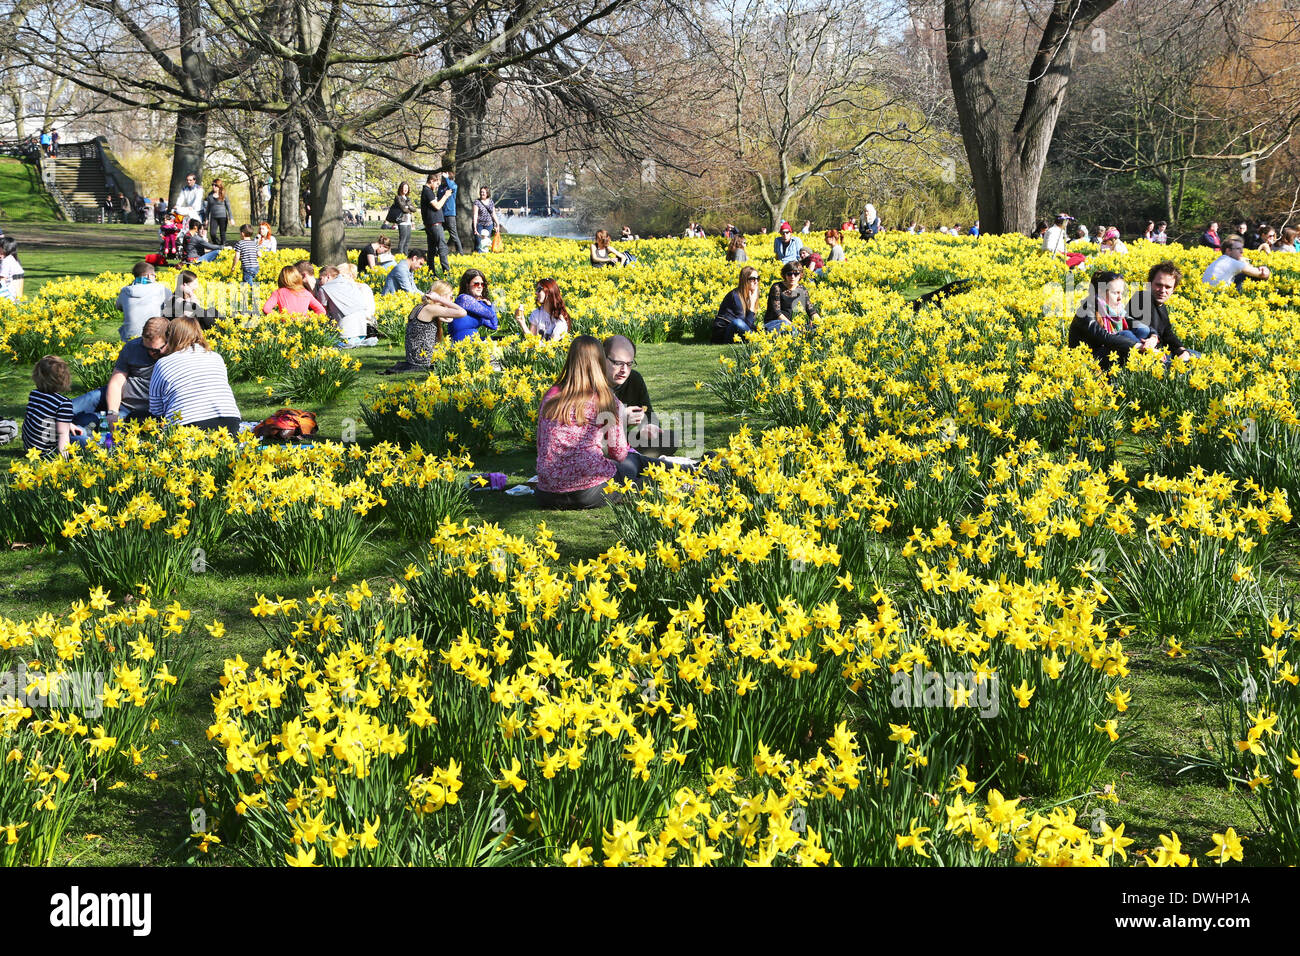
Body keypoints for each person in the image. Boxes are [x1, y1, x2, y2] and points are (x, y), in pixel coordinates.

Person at [535, 335, 636, 509]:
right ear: (599, 361)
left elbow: (540, 443)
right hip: (588, 492)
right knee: (633, 463)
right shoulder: (605, 398)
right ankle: (686, 471)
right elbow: (618, 453)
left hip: (547, 493)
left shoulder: (551, 395)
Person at [70, 317, 168, 429]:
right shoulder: (133, 347)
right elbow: (116, 382)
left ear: (169, 340)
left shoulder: (174, 357)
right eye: (146, 348)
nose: (151, 353)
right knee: (69, 407)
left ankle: (59, 431)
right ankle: (49, 414)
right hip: (115, 394)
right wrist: (112, 413)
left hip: (132, 410)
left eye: (156, 350)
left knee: (85, 422)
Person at [148, 317, 240, 432]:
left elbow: (156, 410)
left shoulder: (163, 364)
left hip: (187, 425)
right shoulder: (216, 357)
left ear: (171, 337)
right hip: (230, 421)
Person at [1067, 270, 1155, 370]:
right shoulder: (1086, 309)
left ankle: (1142, 363)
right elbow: (1104, 337)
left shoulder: (1115, 309)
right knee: (1126, 335)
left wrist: (1153, 336)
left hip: (1106, 352)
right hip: (1087, 360)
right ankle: (1149, 363)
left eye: (1121, 293)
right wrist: (1139, 346)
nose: (1120, 298)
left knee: (1143, 330)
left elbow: (1136, 324)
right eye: (1115, 293)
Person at [1127, 261, 1196, 363]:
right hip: (1146, 357)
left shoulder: (1161, 307)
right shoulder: (1141, 298)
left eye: (1168, 287)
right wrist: (1154, 337)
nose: (1163, 290)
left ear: (1173, 290)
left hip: (1161, 353)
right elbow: (1141, 328)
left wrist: (1182, 350)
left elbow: (1168, 334)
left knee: (1195, 356)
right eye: (1159, 285)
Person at [23, 355, 85, 457]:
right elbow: (63, 435)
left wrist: (68, 424)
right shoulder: (63, 403)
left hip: (30, 448)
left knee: (79, 426)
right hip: (47, 451)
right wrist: (63, 461)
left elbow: (44, 416)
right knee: (84, 437)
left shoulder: (34, 394)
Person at [398, 282, 465, 370]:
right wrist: (440, 299)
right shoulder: (431, 309)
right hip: (423, 360)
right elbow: (462, 312)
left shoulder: (422, 307)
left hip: (414, 358)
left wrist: (441, 301)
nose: (452, 300)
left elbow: (449, 319)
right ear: (442, 295)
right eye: (451, 297)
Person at [318, 264, 378, 345]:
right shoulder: (351, 284)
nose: (319, 282)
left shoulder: (324, 288)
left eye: (320, 278)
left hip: (345, 335)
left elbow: (321, 310)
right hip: (362, 332)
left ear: (328, 276)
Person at [116, 260, 169, 341]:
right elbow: (172, 304)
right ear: (149, 276)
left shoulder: (125, 291)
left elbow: (119, 307)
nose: (155, 278)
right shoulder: (160, 289)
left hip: (129, 337)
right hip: (153, 336)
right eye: (154, 276)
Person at [713, 265, 763, 344]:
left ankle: (759, 337)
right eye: (752, 279)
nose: (756, 281)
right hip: (725, 334)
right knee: (737, 323)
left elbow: (748, 325)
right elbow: (743, 324)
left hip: (740, 332)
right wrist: (752, 305)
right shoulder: (735, 296)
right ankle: (759, 338)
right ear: (744, 280)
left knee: (778, 323)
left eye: (757, 278)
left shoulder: (751, 295)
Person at [765, 261, 818, 331]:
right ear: (785, 275)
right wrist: (794, 326)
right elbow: (777, 313)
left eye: (796, 274)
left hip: (790, 324)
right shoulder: (777, 287)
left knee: (814, 328)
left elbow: (811, 310)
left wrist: (820, 323)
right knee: (789, 328)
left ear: (800, 275)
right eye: (789, 274)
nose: (792, 277)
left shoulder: (801, 289)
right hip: (774, 322)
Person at [450, 269, 500, 342]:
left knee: (511, 338)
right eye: (476, 284)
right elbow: (489, 314)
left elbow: (494, 326)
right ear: (467, 285)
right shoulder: (463, 298)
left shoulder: (479, 306)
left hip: (474, 341)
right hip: (462, 343)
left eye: (482, 284)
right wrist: (489, 306)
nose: (480, 286)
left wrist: (489, 305)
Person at [1203, 236, 1271, 288]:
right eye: (1238, 249)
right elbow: (1263, 274)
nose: (1242, 251)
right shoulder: (1233, 263)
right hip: (1220, 299)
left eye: (1242, 248)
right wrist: (1264, 268)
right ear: (1228, 250)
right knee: (1248, 276)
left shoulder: (1220, 260)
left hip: (1209, 294)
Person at [419, 173, 451, 277]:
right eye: (436, 183)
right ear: (431, 181)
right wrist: (445, 196)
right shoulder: (428, 192)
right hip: (435, 224)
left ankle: (431, 273)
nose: (437, 186)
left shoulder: (427, 192)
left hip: (431, 225)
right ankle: (447, 273)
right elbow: (437, 206)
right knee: (442, 248)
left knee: (432, 250)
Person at [262, 265, 327, 315]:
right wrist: (309, 319)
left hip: (285, 326)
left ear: (281, 279)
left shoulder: (278, 293)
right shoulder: (306, 293)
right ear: (298, 278)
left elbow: (266, 309)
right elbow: (322, 311)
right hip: (302, 326)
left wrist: (278, 317)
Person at [437, 172, 462, 255]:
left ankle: (460, 252)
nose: (443, 180)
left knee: (453, 234)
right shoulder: (441, 187)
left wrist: (447, 178)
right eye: (443, 178)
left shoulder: (453, 186)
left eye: (444, 178)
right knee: (439, 233)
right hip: (441, 213)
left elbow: (452, 187)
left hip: (450, 214)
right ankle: (439, 251)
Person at [232, 224, 261, 294]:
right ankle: (249, 294)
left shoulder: (240, 243)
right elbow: (259, 255)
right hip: (256, 267)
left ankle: (253, 294)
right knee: (248, 281)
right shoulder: (254, 243)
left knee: (247, 284)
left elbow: (236, 257)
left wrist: (233, 266)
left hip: (247, 267)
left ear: (242, 233)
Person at [390, 183, 416, 256]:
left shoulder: (408, 198)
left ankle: (405, 255)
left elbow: (414, 209)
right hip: (402, 221)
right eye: (404, 187)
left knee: (407, 241)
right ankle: (400, 256)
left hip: (408, 221)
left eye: (407, 188)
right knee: (402, 240)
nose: (405, 189)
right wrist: (408, 207)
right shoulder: (398, 197)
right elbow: (403, 209)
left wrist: (408, 207)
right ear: (400, 188)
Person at [473, 186, 499, 253]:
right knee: (479, 242)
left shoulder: (491, 202)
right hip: (480, 225)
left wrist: (497, 224)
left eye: (483, 192)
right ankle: (479, 256)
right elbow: (475, 215)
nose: (482, 193)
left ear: (487, 193)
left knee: (487, 242)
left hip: (489, 225)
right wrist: (475, 227)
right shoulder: (477, 202)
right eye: (481, 192)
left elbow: (493, 214)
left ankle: (486, 257)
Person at [206, 180, 232, 245]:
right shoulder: (210, 195)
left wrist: (231, 218)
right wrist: (206, 218)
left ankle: (223, 246)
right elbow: (208, 208)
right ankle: (218, 245)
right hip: (213, 217)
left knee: (222, 233)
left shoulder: (224, 195)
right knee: (212, 234)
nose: (213, 187)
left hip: (223, 217)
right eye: (212, 185)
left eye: (215, 185)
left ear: (219, 186)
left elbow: (228, 207)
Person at [0, 236, 24, 300]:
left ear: (4, 248)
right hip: (16, 295)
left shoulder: (6, 261)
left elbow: (2, 279)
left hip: (8, 295)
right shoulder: (13, 259)